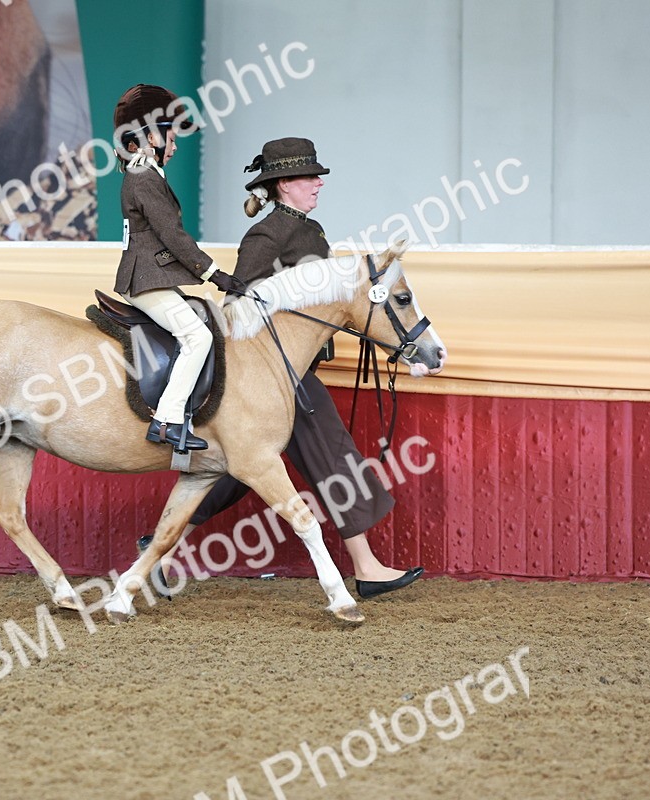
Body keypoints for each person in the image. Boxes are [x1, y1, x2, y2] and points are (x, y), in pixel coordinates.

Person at [147, 137, 423, 598]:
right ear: (283, 185)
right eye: (309, 177)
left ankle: (160, 547)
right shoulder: (267, 235)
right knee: (332, 455)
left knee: (236, 467)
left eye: (317, 176)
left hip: (295, 369)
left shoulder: (309, 230)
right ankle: (366, 566)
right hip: (276, 375)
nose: (318, 183)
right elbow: (239, 302)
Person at [112, 84, 239, 452]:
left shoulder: (146, 174)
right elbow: (173, 235)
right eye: (171, 136)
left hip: (152, 274)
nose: (175, 146)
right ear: (149, 136)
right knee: (198, 337)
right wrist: (214, 274)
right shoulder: (143, 178)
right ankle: (167, 421)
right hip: (145, 278)